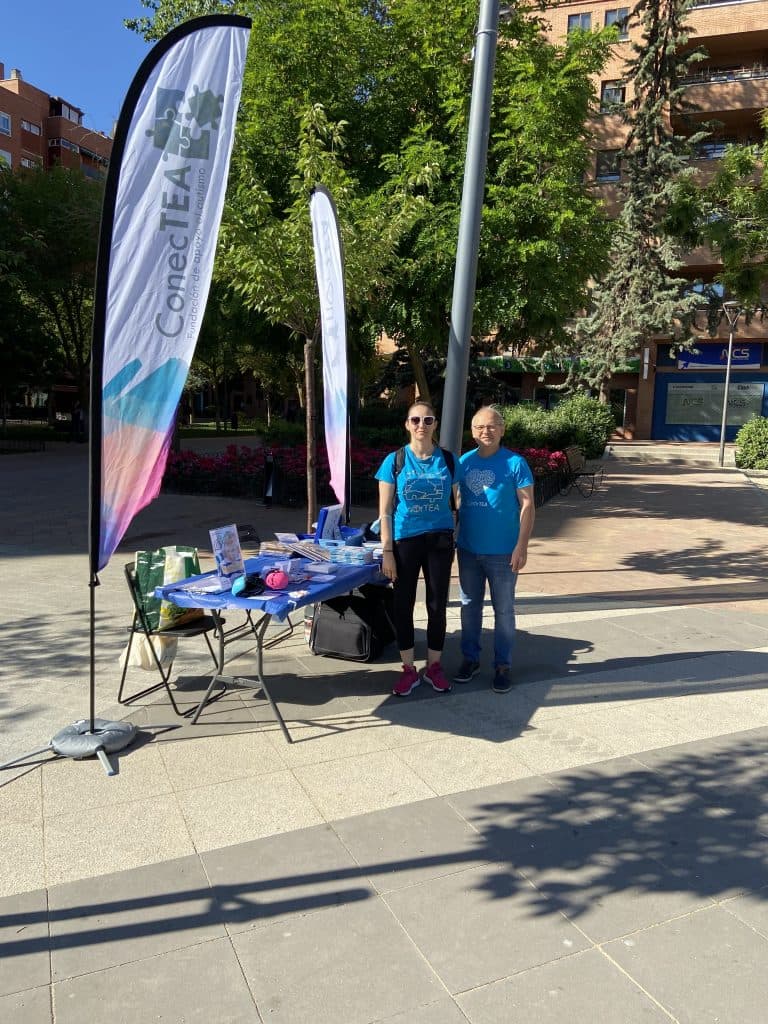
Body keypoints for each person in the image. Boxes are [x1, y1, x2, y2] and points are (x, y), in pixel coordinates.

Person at [376, 401, 463, 697]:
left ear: (435, 424)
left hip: (440, 540)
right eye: (415, 420)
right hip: (405, 541)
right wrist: (387, 551)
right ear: (407, 424)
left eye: (427, 420)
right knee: (403, 604)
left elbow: (458, 502)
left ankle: (434, 667)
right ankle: (409, 669)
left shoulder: (448, 460)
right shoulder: (395, 460)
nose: (421, 425)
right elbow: (385, 511)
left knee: (437, 605)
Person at [454, 405, 535, 693]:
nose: (485, 431)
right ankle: (470, 659)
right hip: (468, 550)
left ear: (502, 429)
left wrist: (521, 546)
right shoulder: (464, 462)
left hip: (503, 552)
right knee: (469, 607)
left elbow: (528, 504)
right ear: (472, 431)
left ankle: (502, 665)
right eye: (479, 427)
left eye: (491, 426)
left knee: (503, 611)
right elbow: (456, 501)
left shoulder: (515, 463)